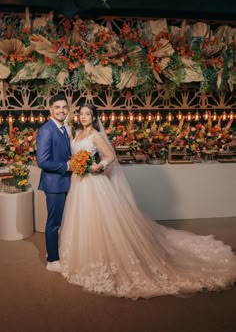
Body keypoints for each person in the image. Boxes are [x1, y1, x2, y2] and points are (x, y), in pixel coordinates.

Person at [59, 103, 236, 299]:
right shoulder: (76, 134)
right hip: (79, 184)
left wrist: (97, 166)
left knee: (101, 222)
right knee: (82, 221)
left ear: (94, 117)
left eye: (87, 114)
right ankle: (84, 258)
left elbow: (111, 156)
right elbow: (71, 146)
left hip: (94, 183)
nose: (84, 117)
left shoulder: (96, 136)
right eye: (81, 114)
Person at [37, 93, 71, 273]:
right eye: (57, 107)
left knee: (64, 221)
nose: (61, 110)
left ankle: (56, 251)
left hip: (65, 182)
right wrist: (66, 165)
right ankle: (52, 259)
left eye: (64, 107)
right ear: (50, 109)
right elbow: (42, 161)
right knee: (54, 223)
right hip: (54, 185)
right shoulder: (46, 130)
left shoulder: (63, 128)